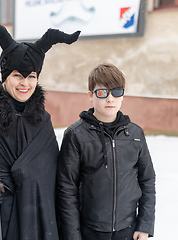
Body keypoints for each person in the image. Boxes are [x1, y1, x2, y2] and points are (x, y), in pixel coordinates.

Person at [0, 13, 80, 240]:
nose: (25, 84)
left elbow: (51, 177)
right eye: (18, 76)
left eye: (31, 76)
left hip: (34, 223)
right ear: (6, 77)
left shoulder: (43, 121)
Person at [56, 63, 156, 240]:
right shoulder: (76, 135)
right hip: (89, 231)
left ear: (123, 95)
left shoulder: (134, 133)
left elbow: (147, 180)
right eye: (102, 93)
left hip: (128, 229)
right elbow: (66, 188)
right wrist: (72, 234)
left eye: (116, 92)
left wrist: (145, 225)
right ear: (90, 95)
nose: (110, 99)